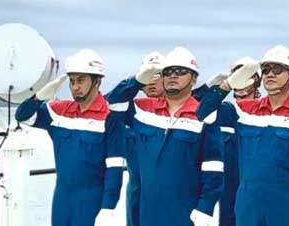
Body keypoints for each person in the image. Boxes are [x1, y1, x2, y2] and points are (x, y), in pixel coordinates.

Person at [194, 45, 289, 226]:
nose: (270, 74)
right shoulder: (244, 111)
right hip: (248, 204)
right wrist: (226, 86)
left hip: (287, 204)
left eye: (277, 69)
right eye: (266, 69)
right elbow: (202, 112)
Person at [105, 47, 224, 226]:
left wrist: (206, 207)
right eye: (167, 72)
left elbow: (213, 167)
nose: (173, 75)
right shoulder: (142, 110)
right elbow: (111, 104)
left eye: (180, 71)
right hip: (147, 211)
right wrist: (136, 81)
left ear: (193, 78)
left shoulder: (204, 114)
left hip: (186, 213)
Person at [15, 49, 125, 226]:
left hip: (92, 202)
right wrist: (38, 97)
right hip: (61, 202)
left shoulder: (110, 118)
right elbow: (22, 116)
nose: (75, 87)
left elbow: (114, 169)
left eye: (81, 80)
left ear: (97, 81)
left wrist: (108, 208)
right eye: (72, 81)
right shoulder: (58, 113)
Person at [120, 51, 165, 226]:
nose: (151, 81)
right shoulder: (130, 111)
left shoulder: (186, 112)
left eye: (157, 75)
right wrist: (133, 83)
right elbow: (107, 104)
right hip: (137, 197)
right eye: (147, 76)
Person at [217, 57, 261, 226]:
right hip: (227, 191)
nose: (241, 82)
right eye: (237, 76)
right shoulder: (223, 111)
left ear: (257, 81)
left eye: (247, 76)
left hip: (257, 189)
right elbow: (195, 108)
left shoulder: (267, 112)